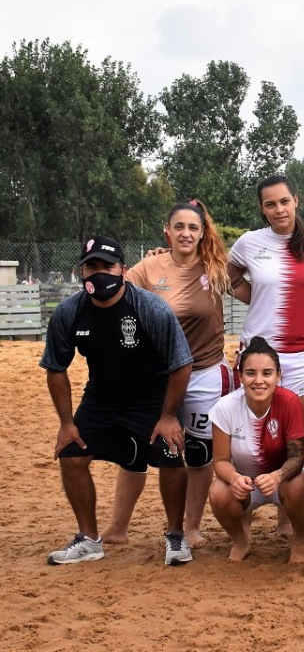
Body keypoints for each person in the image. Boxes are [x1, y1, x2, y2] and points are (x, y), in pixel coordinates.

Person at [41, 235, 194, 565]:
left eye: (107, 266)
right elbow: (55, 368)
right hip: (102, 399)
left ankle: (176, 535)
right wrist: (66, 423)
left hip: (152, 398)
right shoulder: (69, 312)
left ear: (123, 270)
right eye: (91, 266)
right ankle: (89, 540)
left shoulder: (150, 308)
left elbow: (181, 363)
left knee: (171, 455)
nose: (99, 273)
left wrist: (169, 416)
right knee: (70, 455)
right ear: (81, 272)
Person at [104, 200, 233, 548]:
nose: (186, 233)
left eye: (193, 227)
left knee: (199, 451)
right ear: (167, 232)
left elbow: (259, 287)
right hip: (157, 374)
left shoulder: (217, 267)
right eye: (179, 227)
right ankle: (117, 528)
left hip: (205, 372)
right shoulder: (149, 267)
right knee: (138, 446)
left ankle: (190, 527)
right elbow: (113, 294)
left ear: (202, 233)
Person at [228, 176, 304, 536]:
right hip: (258, 356)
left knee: (293, 442)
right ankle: (244, 511)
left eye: (284, 201)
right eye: (270, 204)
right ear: (262, 208)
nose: (279, 209)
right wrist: (255, 298)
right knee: (250, 439)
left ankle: (287, 515)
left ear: (296, 200)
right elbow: (228, 275)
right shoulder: (249, 242)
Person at [207, 336, 304, 563]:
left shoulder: (290, 402)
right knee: (218, 492)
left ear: (278, 376)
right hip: (245, 483)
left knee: (301, 484)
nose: (259, 381)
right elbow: (221, 461)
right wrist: (234, 478)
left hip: (280, 481)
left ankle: (299, 541)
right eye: (251, 373)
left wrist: (277, 476)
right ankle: (240, 541)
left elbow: (297, 458)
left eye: (267, 373)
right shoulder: (225, 407)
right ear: (240, 376)